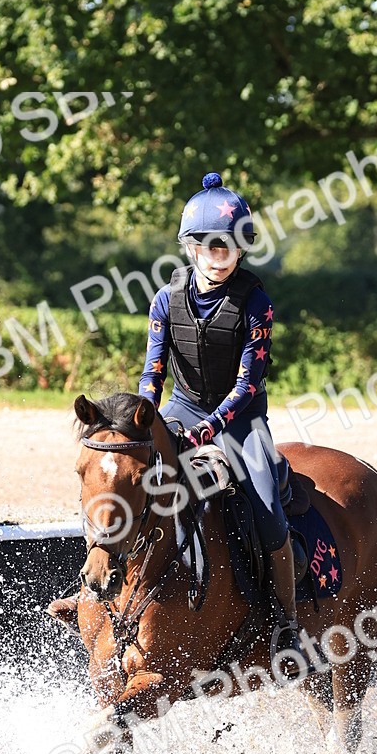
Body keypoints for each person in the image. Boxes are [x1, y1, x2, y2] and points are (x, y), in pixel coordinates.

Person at [137, 172, 302, 662]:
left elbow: (247, 384)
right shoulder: (166, 300)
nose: (218, 253)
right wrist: (148, 413)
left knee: (270, 513)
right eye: (208, 245)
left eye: (227, 244)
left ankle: (287, 626)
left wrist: (212, 427)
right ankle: (100, 593)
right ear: (191, 248)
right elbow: (153, 371)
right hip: (182, 406)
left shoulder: (256, 302)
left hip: (242, 418)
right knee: (125, 474)